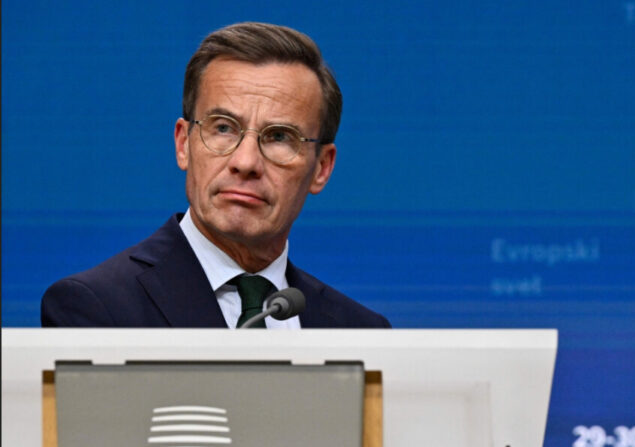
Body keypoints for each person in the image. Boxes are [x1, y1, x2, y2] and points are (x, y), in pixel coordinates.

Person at [41, 22, 390, 328]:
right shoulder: (98, 309)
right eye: (223, 128)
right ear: (183, 144)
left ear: (321, 168)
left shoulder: (359, 332)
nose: (246, 161)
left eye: (280, 136)